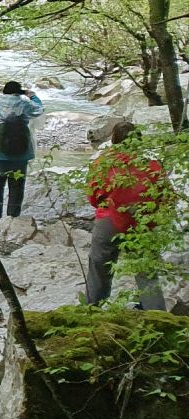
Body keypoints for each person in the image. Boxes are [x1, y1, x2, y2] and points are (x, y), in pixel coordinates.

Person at [86, 127, 168, 311]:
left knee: (99, 265)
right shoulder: (152, 165)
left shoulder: (104, 163)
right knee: (146, 271)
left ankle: (93, 309)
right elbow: (167, 197)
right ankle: (156, 313)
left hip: (109, 220)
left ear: (114, 140)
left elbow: (93, 196)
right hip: (143, 222)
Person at [0, 80, 43, 218]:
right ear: (19, 92)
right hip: (20, 148)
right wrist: (32, 96)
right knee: (17, 186)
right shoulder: (25, 103)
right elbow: (39, 109)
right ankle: (13, 216)